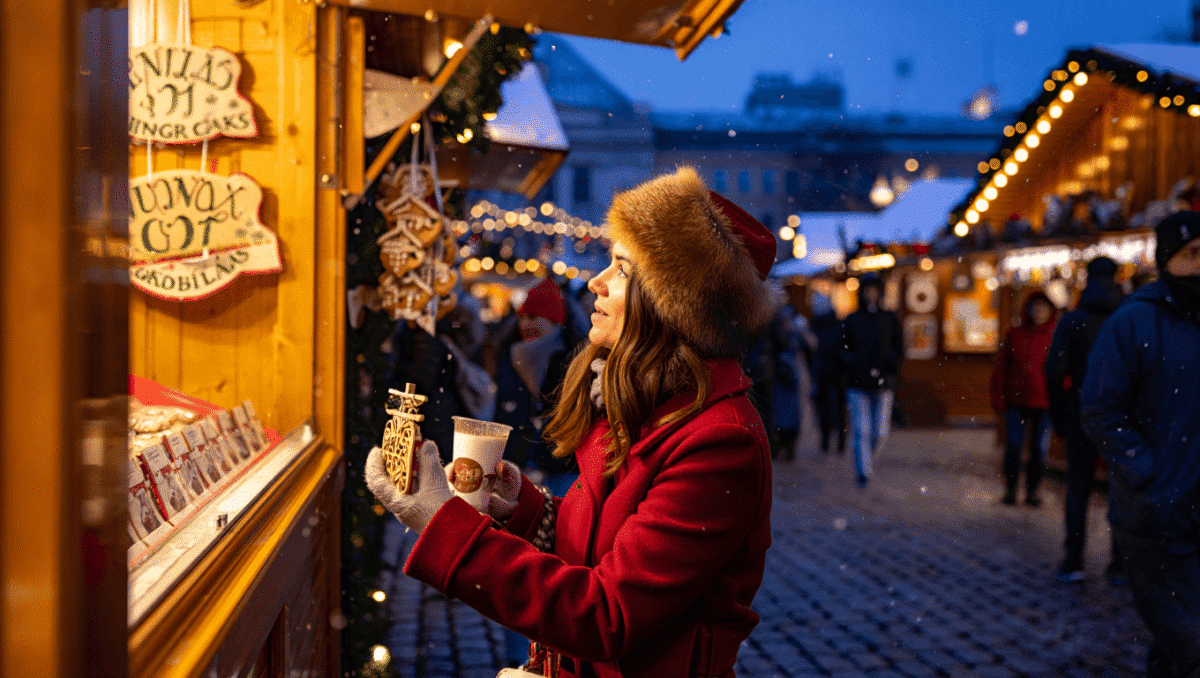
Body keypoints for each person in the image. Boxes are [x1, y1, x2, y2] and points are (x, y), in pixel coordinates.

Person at [366, 166, 777, 678]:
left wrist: (442, 523)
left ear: (672, 304)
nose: (596, 281)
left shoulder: (720, 440)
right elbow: (606, 541)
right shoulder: (645, 401)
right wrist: (522, 509)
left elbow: (606, 615)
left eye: (622, 269)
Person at [1081, 211, 1200, 678]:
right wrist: (1148, 473)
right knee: (1191, 639)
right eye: (1192, 254)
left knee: (1179, 641)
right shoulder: (1133, 323)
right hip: (1155, 514)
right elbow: (1099, 409)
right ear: (1167, 259)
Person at [1044, 256, 1125, 584]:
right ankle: (1120, 564)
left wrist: (1061, 412)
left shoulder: (1073, 321)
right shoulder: (1128, 318)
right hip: (1122, 412)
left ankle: (1074, 559)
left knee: (1078, 486)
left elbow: (1054, 371)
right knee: (1121, 488)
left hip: (1082, 408)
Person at [990, 290, 1057, 506]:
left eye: (1043, 309)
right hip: (1016, 401)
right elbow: (1002, 368)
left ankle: (1032, 492)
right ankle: (1010, 490)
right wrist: (999, 398)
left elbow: (1059, 372)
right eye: (1035, 308)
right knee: (1013, 447)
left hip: (1043, 402)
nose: (1039, 313)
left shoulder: (1053, 337)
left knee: (1038, 450)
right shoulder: (1015, 335)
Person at [839, 274, 902, 487]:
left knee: (880, 432)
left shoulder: (889, 319)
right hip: (857, 384)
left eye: (874, 290)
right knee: (861, 430)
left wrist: (888, 367)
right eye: (868, 290)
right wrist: (855, 365)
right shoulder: (852, 319)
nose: (871, 294)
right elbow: (842, 349)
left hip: (883, 384)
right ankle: (863, 470)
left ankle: (867, 462)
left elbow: (898, 348)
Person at [809, 292, 846, 454]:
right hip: (825, 370)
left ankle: (838, 440)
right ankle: (829, 439)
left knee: (835, 406)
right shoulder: (816, 324)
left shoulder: (836, 325)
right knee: (827, 406)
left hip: (835, 369)